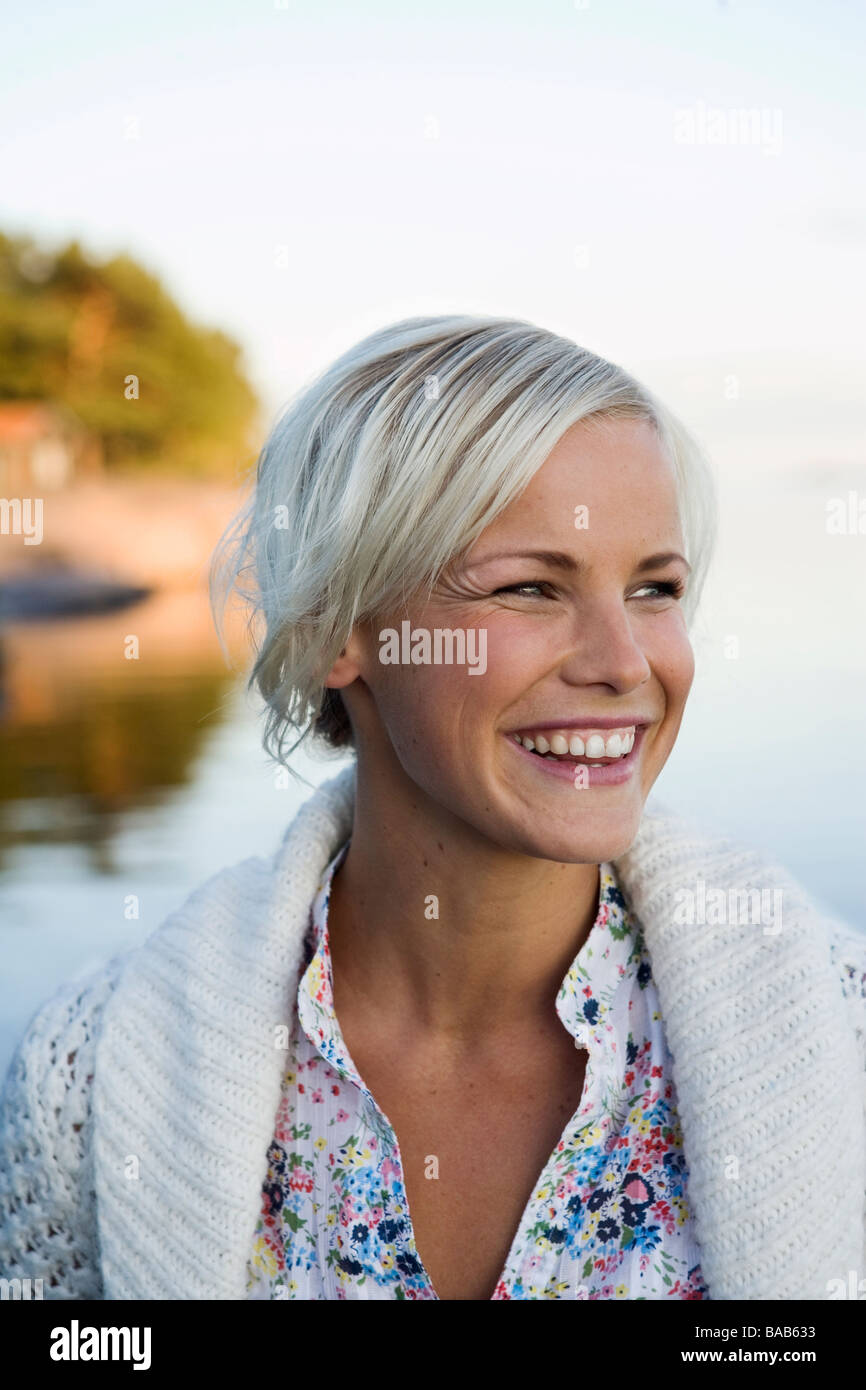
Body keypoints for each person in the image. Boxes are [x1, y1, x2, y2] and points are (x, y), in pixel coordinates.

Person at [1, 315, 864, 1301]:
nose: (625, 664)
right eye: (532, 588)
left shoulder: (837, 1029)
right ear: (336, 628)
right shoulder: (98, 1074)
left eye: (653, 588)